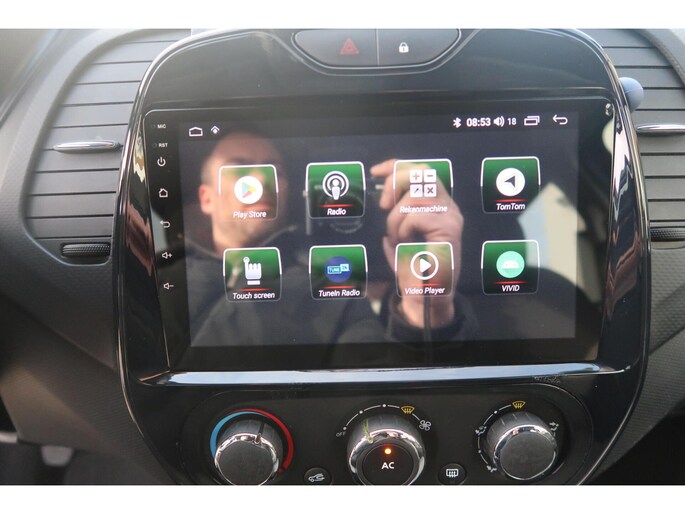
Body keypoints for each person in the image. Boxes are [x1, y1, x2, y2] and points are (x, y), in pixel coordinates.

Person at [186, 130, 477, 349]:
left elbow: (377, 378)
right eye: (239, 168)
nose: (262, 180)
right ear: (206, 198)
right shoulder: (170, 280)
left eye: (274, 170)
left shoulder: (327, 287)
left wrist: (426, 309)